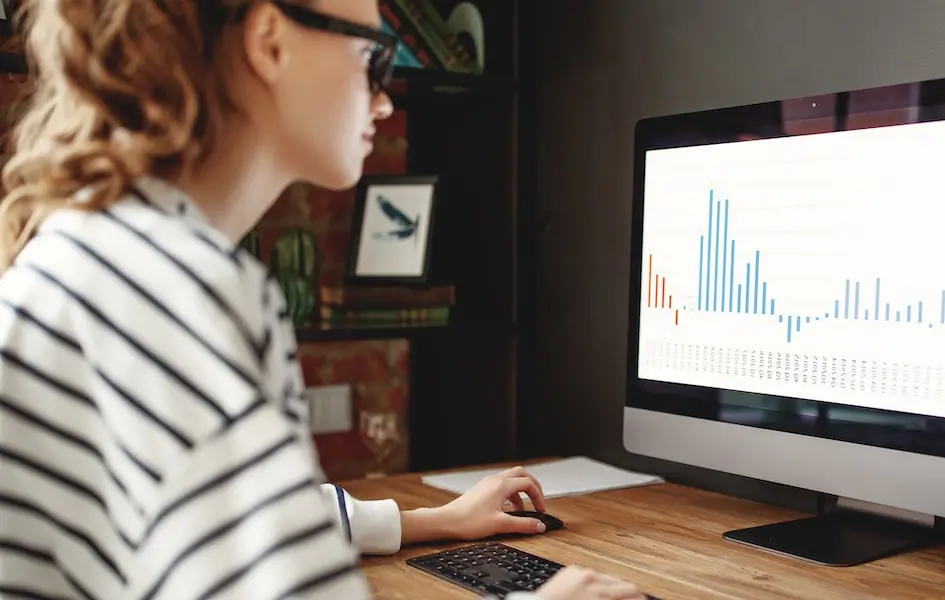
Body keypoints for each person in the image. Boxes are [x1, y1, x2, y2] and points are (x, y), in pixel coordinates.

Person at [0, 1, 645, 599]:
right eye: (373, 59)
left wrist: (433, 519)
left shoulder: (92, 251)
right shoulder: (185, 293)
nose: (385, 102)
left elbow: (224, 521)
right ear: (271, 42)